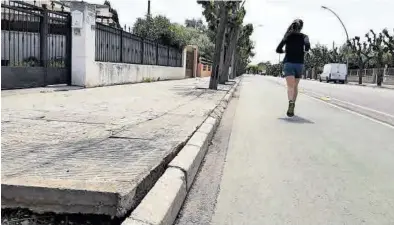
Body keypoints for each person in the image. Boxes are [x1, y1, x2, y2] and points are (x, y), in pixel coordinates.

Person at [276, 19, 310, 117]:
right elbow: (307, 46)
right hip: (299, 63)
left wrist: (285, 51)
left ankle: (290, 102)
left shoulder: (287, 36)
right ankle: (293, 104)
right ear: (301, 27)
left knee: (290, 86)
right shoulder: (305, 37)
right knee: (295, 86)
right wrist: (304, 51)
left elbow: (278, 49)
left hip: (288, 63)